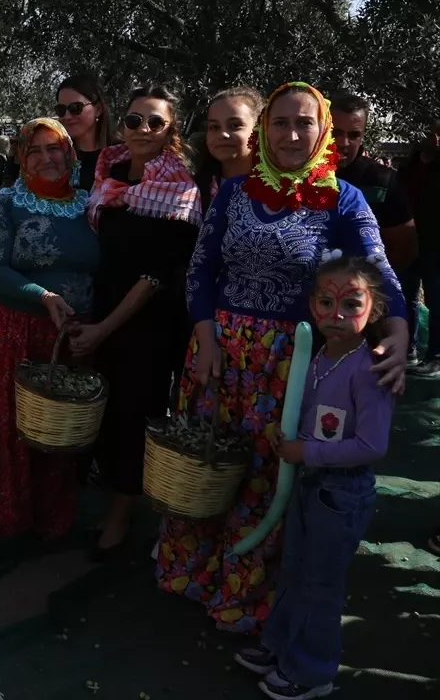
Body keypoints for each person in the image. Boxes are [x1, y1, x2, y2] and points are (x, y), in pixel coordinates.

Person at [157, 82, 408, 633]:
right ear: (265, 130)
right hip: (217, 351)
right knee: (205, 461)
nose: (292, 135)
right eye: (280, 123)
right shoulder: (234, 192)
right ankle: (189, 571)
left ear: (323, 131)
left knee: (264, 475)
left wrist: (401, 335)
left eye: (305, 123)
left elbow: (380, 274)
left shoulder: (345, 200)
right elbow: (200, 272)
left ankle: (240, 593)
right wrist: (206, 339)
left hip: (290, 365)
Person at [234, 255, 391, 700]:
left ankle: (312, 671)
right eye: (326, 301)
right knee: (294, 570)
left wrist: (309, 449)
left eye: (351, 304)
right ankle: (280, 647)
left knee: (320, 584)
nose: (336, 314)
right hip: (309, 484)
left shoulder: (370, 370)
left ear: (373, 310)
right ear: (312, 304)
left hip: (341, 494)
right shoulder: (319, 354)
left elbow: (372, 445)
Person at [71, 84, 203, 556]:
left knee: (132, 412)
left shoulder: (182, 189)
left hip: (147, 320)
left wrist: (106, 327)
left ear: (171, 131)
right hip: (103, 305)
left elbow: (159, 274)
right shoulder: (109, 173)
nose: (142, 130)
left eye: (154, 122)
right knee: (103, 410)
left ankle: (122, 514)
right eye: (133, 120)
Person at [0, 118, 99, 543]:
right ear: (22, 158)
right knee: (13, 426)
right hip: (17, 331)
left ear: (70, 152)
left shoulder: (91, 204)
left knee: (60, 426)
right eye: (35, 151)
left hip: (73, 334)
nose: (46, 158)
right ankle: (7, 520)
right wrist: (42, 296)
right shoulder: (7, 204)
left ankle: (53, 520)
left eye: (55, 148)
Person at [331, 93, 417, 273]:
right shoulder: (298, 176)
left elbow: (403, 251)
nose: (343, 142)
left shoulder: (382, 180)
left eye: (354, 135)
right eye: (335, 132)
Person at [401, 116, 440, 375]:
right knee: (408, 298)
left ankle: (436, 357)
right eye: (431, 133)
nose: (435, 139)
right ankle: (408, 350)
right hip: (410, 244)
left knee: (436, 300)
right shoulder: (407, 168)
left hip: (437, 246)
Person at [192, 87, 264, 206]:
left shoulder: (279, 190)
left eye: (235, 125)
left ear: (259, 129)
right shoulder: (190, 190)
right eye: (214, 127)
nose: (223, 134)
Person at [57, 73, 116, 191]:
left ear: (98, 109)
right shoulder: (56, 154)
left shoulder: (121, 154)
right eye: (61, 110)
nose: (67, 116)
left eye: (75, 108)